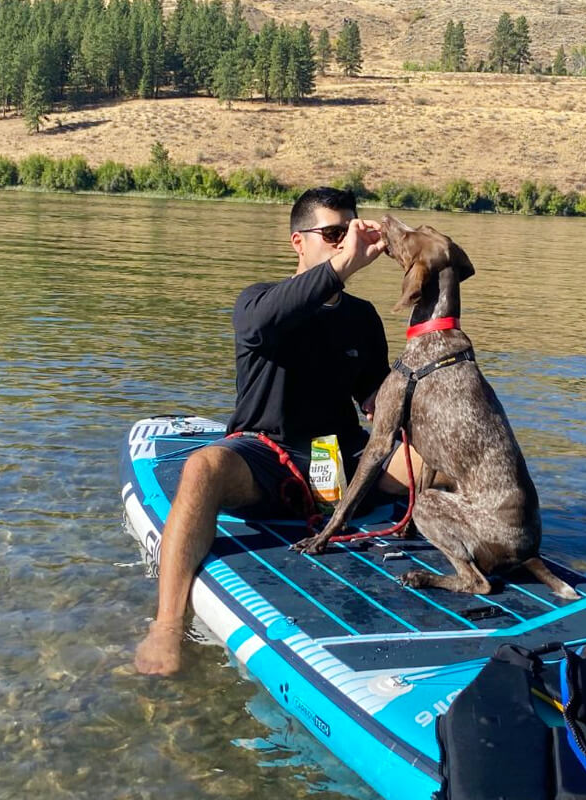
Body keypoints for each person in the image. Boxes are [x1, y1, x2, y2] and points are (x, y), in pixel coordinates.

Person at [133, 187, 422, 676]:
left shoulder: (362, 318)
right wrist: (341, 266)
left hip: (341, 458)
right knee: (203, 465)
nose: (342, 243)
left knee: (433, 454)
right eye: (332, 234)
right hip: (268, 456)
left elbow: (372, 396)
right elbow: (265, 323)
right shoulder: (259, 302)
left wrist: (392, 403)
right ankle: (165, 625)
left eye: (349, 233)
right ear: (298, 241)